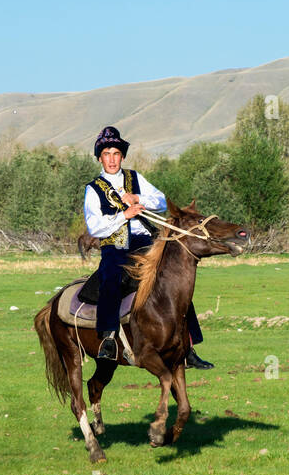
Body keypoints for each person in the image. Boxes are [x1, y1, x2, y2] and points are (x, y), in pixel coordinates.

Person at [83, 125, 214, 368]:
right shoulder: (93, 190)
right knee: (110, 277)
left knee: (175, 281)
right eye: (106, 154)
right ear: (100, 158)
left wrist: (138, 199)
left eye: (116, 154)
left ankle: (189, 347)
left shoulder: (135, 178)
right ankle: (109, 338)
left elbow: (162, 201)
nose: (111, 159)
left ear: (122, 156)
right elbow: (94, 227)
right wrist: (124, 215)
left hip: (145, 242)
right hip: (116, 245)